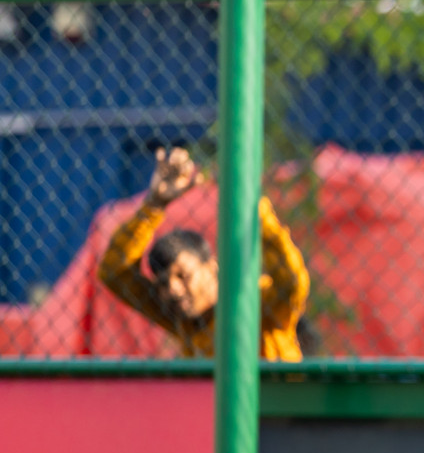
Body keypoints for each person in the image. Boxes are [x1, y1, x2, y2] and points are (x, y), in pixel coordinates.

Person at [97, 146, 309, 361]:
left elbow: (291, 283)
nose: (173, 290)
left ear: (212, 268)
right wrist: (154, 205)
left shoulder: (253, 303)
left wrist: (253, 207)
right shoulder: (182, 318)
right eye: (162, 284)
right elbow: (115, 273)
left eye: (184, 276)